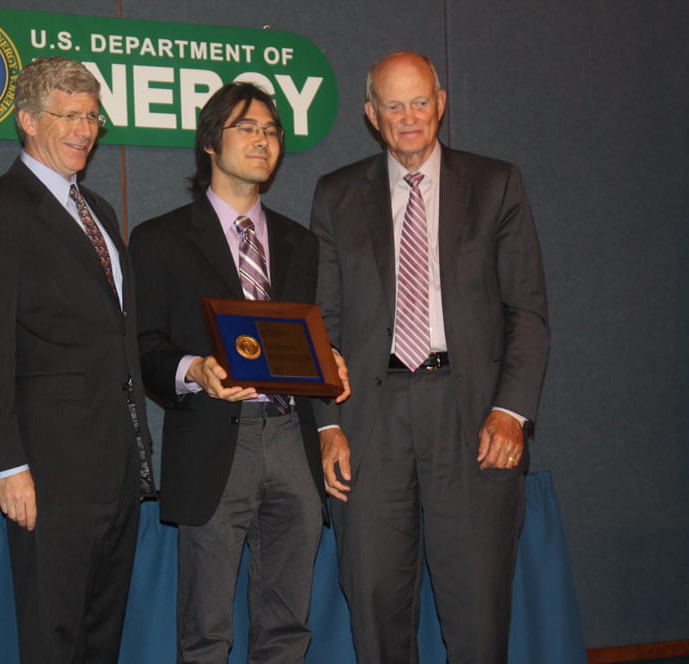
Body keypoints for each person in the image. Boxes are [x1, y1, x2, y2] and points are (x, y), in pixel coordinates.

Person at [311, 51, 550, 663]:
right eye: (393, 105)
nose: (409, 117)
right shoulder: (336, 195)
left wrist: (511, 412)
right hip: (370, 425)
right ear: (371, 115)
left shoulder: (496, 184)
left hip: (472, 420)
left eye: (420, 102)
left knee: (478, 618)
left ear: (441, 104)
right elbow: (324, 324)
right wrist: (329, 425)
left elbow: (526, 311)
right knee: (375, 613)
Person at [129, 82, 349, 663]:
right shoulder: (160, 239)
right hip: (213, 441)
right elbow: (142, 347)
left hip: (292, 440)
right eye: (246, 128)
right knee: (206, 633)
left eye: (271, 131)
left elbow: (308, 337)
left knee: (287, 628)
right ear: (210, 141)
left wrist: (329, 362)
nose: (262, 140)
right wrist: (193, 369)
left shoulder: (301, 243)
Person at [0, 57, 155, 664]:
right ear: (27, 120)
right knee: (53, 640)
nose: (84, 130)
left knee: (100, 641)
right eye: (68, 115)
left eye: (91, 116)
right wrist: (7, 464)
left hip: (117, 466)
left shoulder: (99, 211)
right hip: (49, 471)